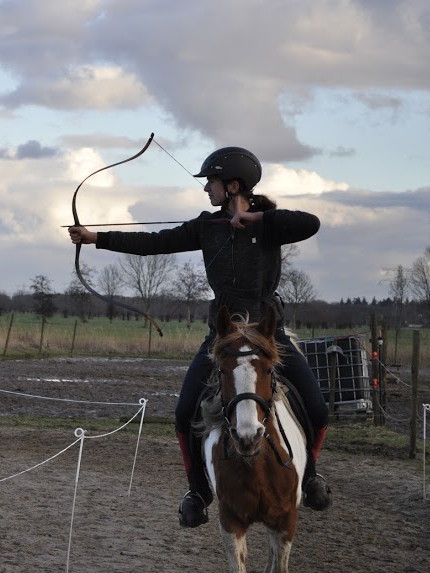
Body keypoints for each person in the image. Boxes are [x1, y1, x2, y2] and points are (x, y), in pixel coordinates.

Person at [68, 146, 332, 528]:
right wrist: (95, 237)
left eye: (211, 181)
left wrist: (255, 216)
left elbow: (312, 223)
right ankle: (197, 492)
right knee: (182, 413)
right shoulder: (206, 227)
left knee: (318, 409)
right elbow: (154, 243)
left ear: (234, 185)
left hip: (266, 337)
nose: (206, 188)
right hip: (220, 339)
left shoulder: (269, 223)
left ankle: (309, 479)